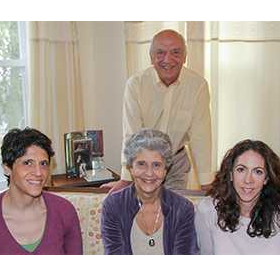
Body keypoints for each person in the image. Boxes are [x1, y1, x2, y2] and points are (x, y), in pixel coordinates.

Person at [102, 29, 212, 192]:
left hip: (175, 163)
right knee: (141, 211)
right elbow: (131, 135)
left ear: (185, 57)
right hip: (142, 163)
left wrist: (206, 184)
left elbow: (201, 137)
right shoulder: (136, 85)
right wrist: (126, 179)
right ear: (151, 57)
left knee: (172, 212)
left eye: (175, 52)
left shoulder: (198, 86)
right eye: (160, 52)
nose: (167, 59)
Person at [101, 129, 199, 254]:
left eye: (156, 165)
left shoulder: (182, 208)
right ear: (130, 168)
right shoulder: (114, 205)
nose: (149, 173)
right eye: (141, 164)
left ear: (165, 170)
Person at [0, 127, 83, 254]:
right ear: (7, 168)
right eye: (28, 163)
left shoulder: (64, 211)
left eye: (43, 164)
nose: (39, 173)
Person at [195, 139, 280, 255]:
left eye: (258, 172)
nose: (248, 180)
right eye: (241, 170)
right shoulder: (208, 211)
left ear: (266, 179)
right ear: (230, 174)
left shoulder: (277, 215)